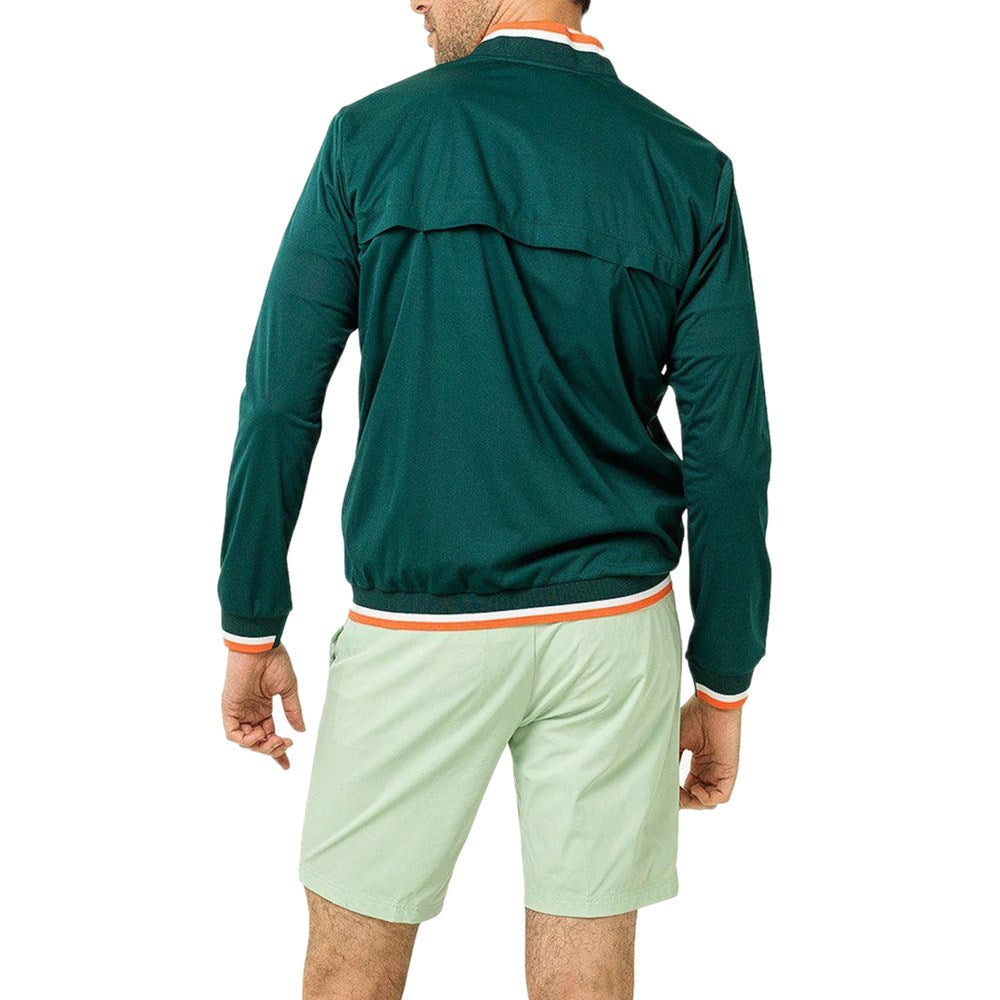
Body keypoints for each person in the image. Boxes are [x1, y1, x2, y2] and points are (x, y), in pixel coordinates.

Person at [217, 2, 772, 997]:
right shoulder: (689, 170)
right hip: (613, 632)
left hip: (421, 625)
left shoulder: (372, 137)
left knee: (350, 972)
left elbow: (278, 403)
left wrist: (250, 623)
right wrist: (723, 680)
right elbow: (730, 456)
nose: (415, 2)